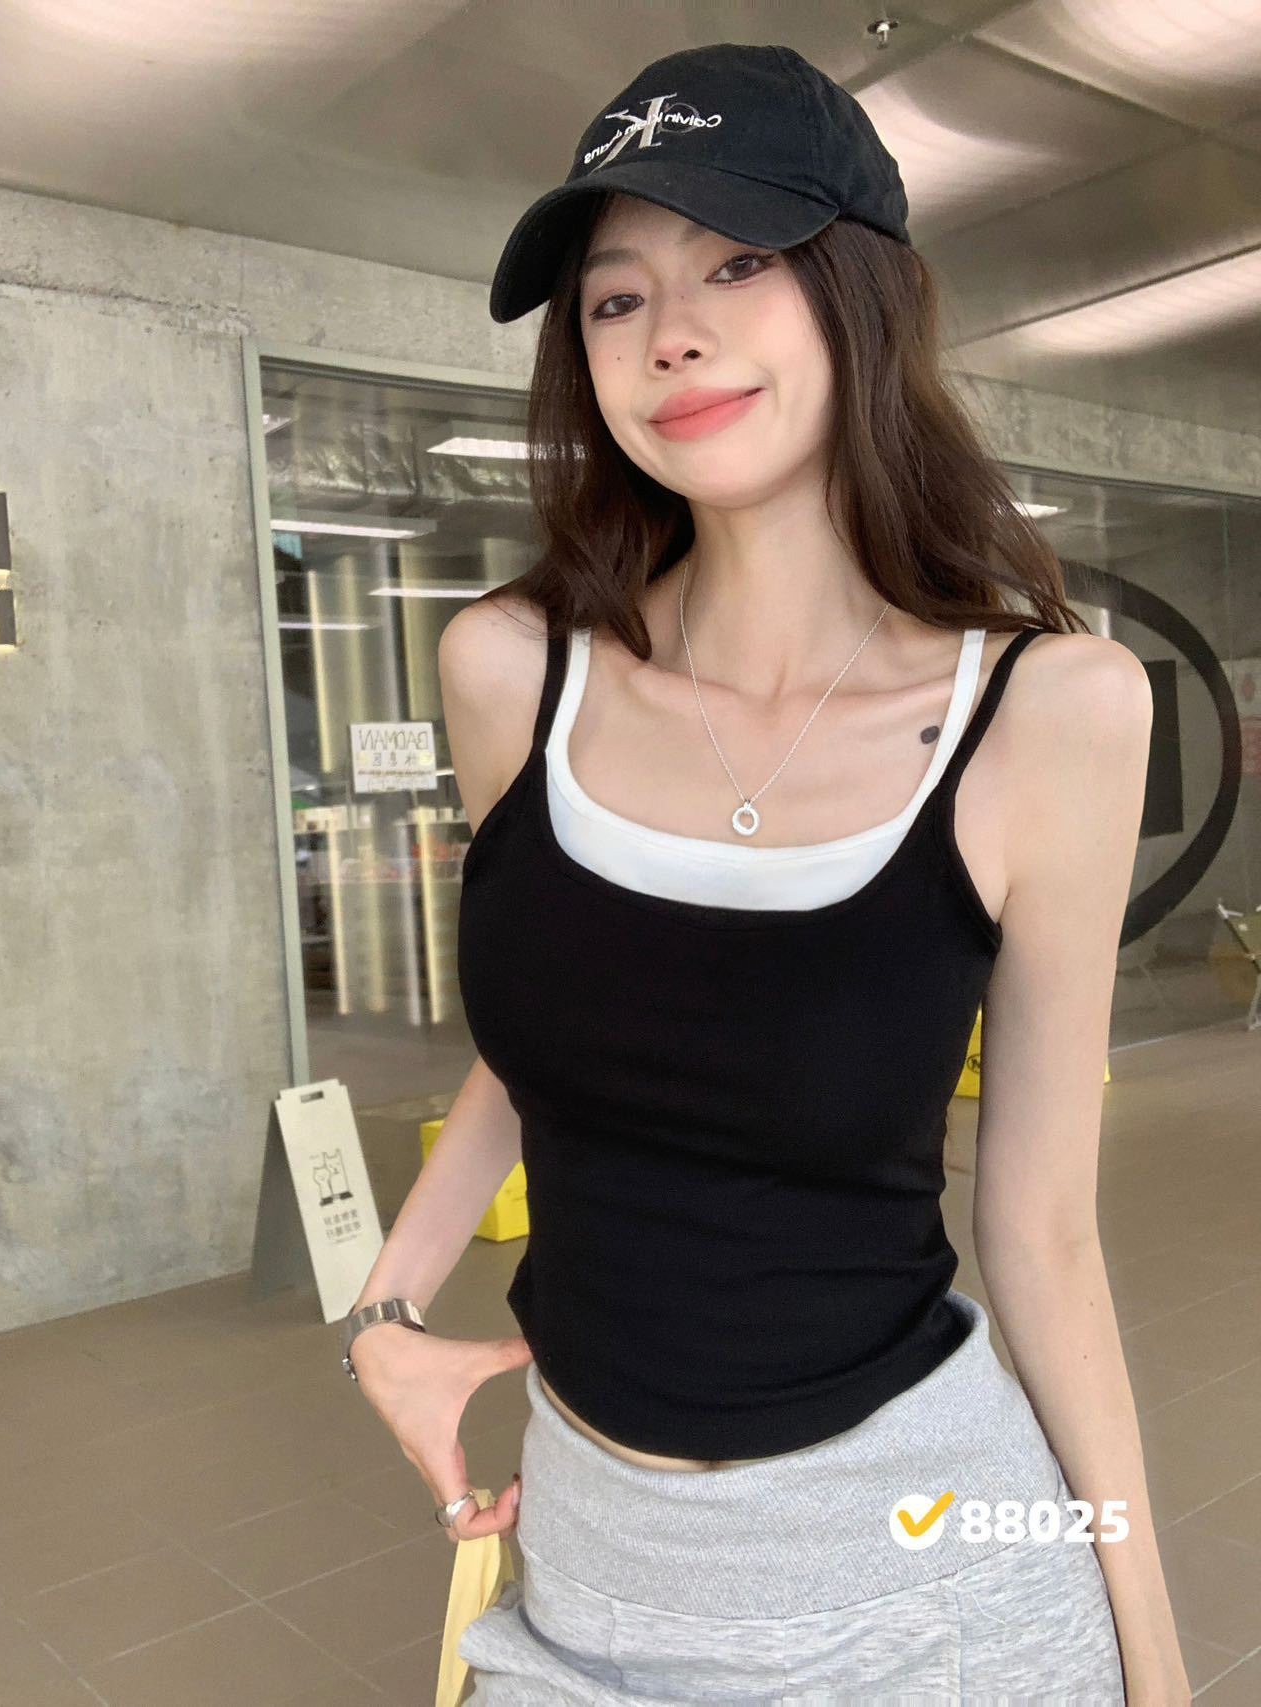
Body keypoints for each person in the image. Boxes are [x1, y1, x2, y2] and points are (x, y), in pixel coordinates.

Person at [341, 43, 1191, 1706]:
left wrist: (1153, 1662)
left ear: (865, 297)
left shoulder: (1053, 711)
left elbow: (1043, 1236)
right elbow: (549, 1041)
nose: (669, 332)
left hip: (930, 1573)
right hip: (583, 1568)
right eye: (615, 297)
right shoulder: (513, 670)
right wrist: (388, 1313)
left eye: (737, 263)